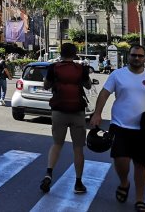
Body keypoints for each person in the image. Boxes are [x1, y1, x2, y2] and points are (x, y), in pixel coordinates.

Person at [90, 45, 145, 212]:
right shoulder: (117, 74)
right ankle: (124, 182)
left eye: (140, 56)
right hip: (120, 125)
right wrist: (97, 113)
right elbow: (104, 94)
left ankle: (140, 200)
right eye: (134, 55)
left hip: (144, 130)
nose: (137, 58)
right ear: (129, 57)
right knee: (121, 161)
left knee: (141, 165)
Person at [40, 43, 91, 194]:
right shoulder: (81, 69)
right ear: (75, 54)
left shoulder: (53, 68)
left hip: (58, 110)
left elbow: (46, 86)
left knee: (56, 144)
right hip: (77, 111)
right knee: (78, 148)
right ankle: (78, 182)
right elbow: (88, 86)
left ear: (61, 54)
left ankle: (49, 173)